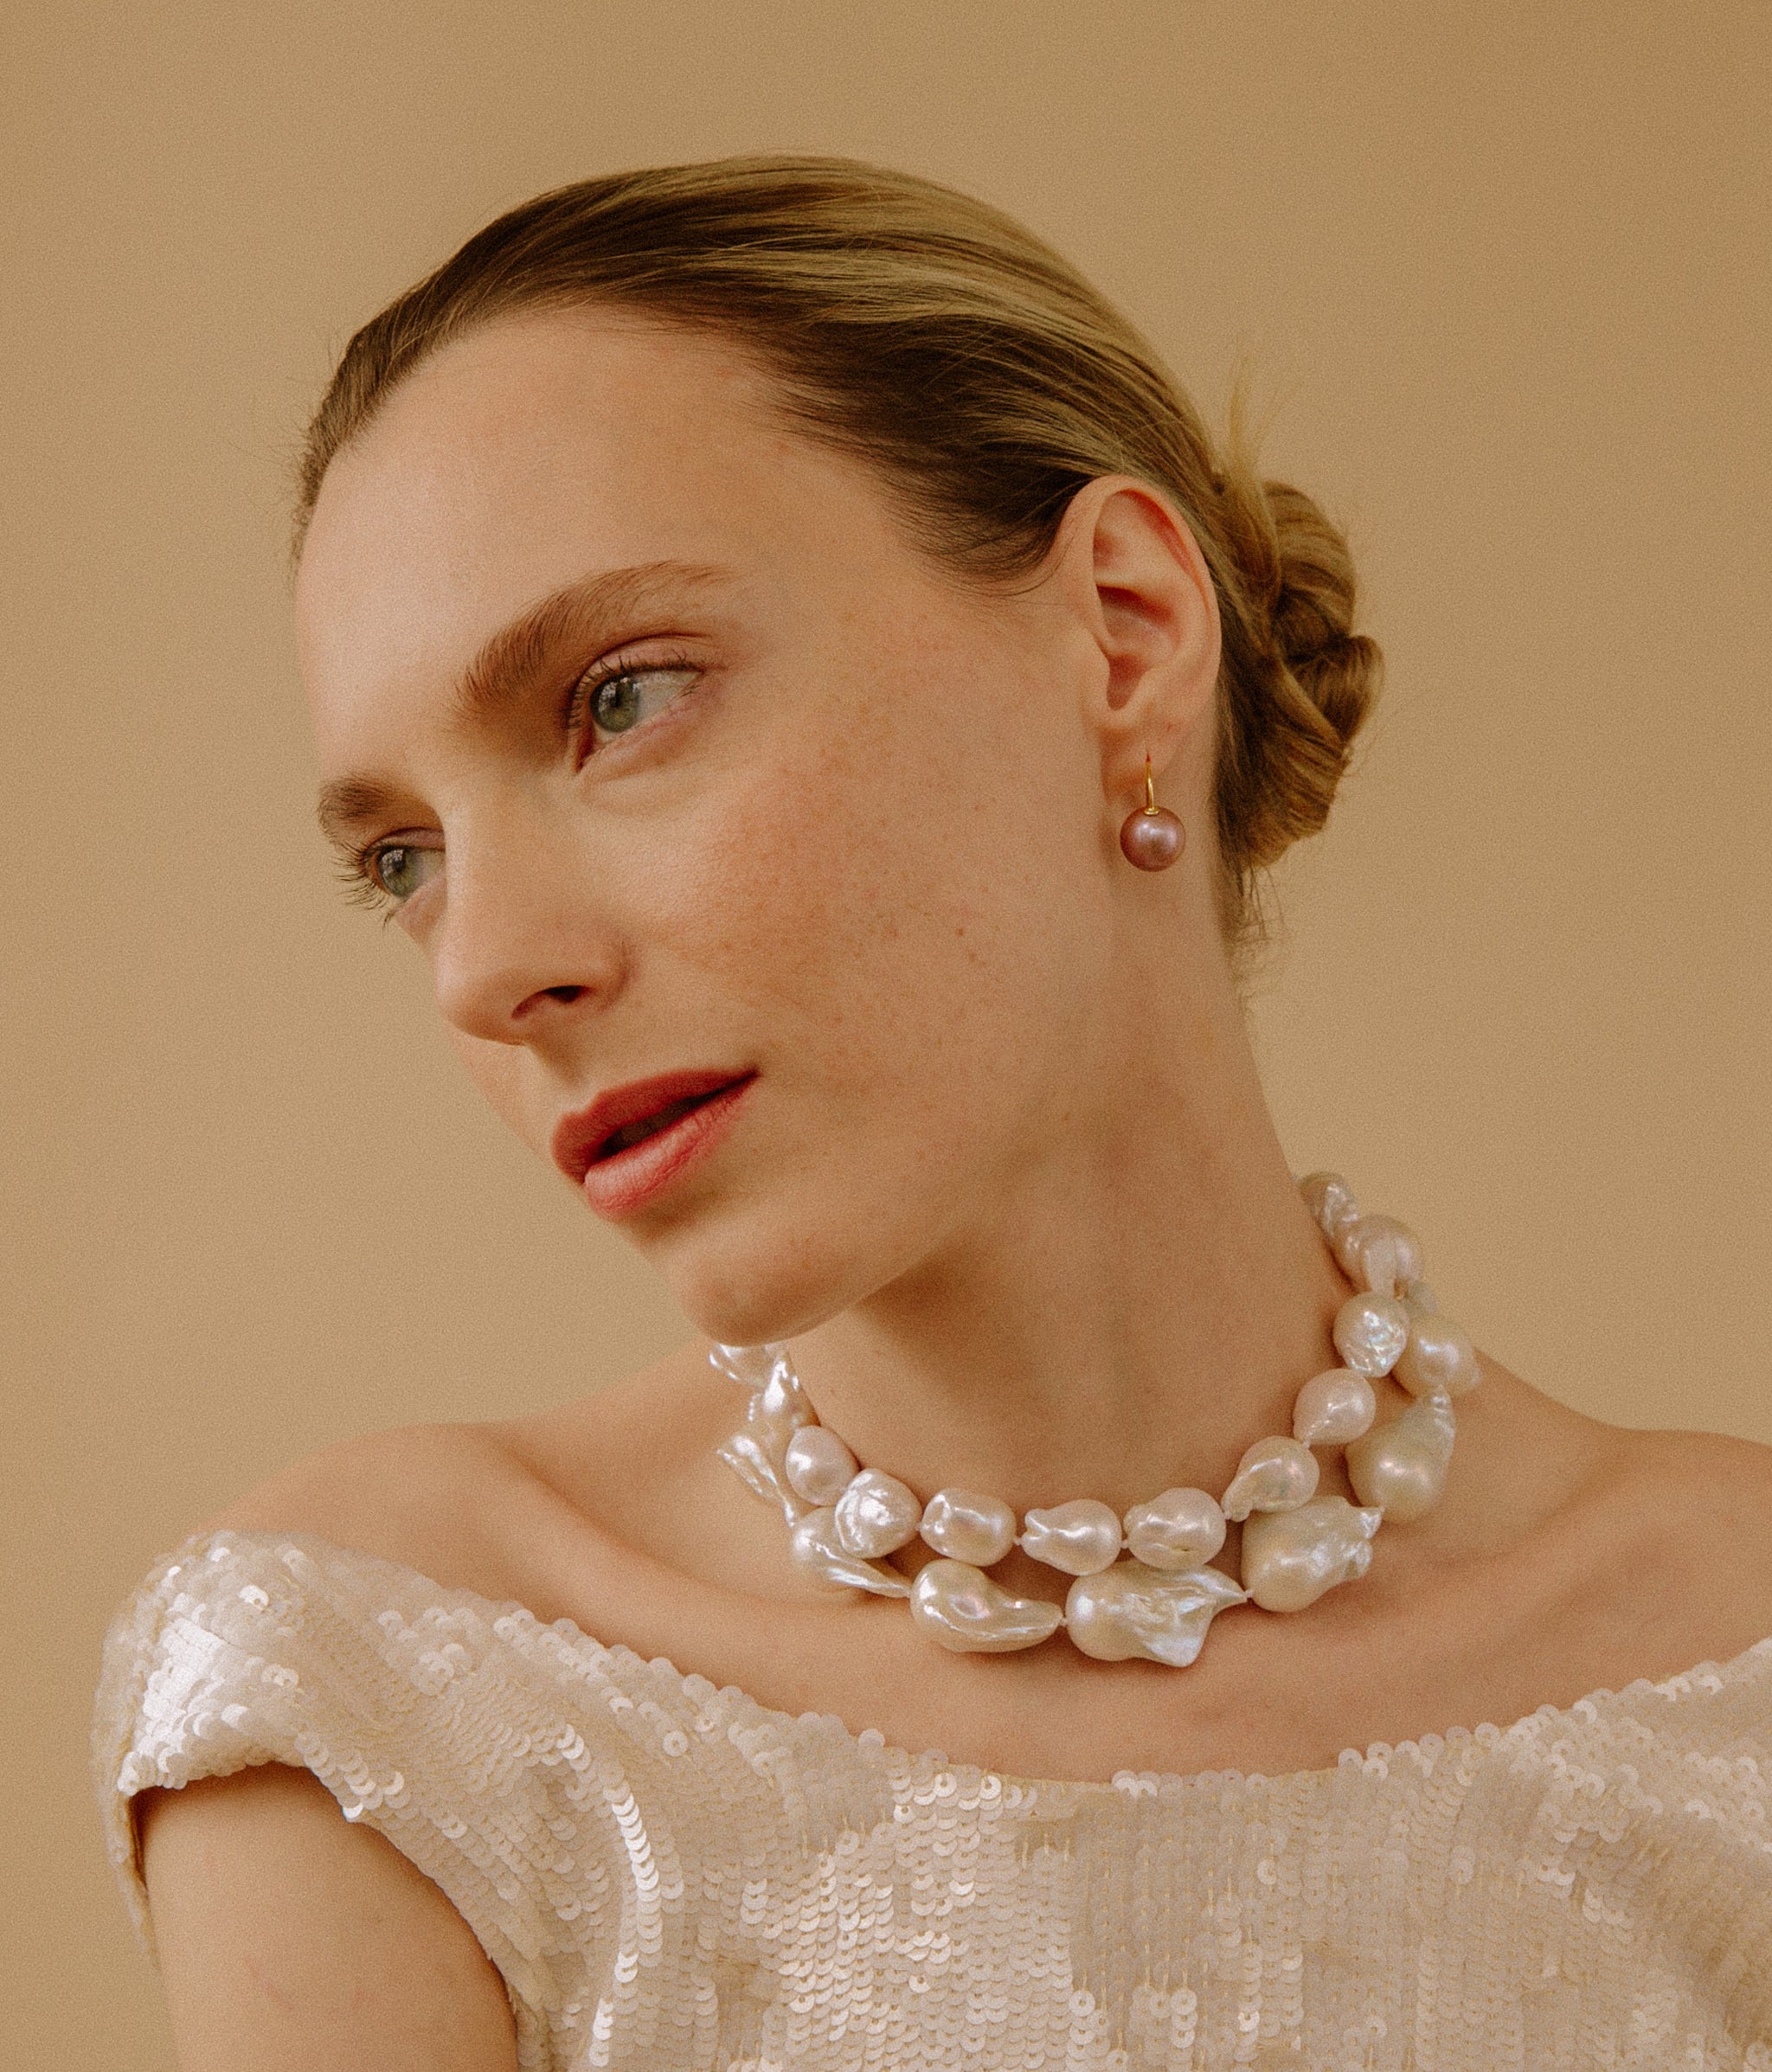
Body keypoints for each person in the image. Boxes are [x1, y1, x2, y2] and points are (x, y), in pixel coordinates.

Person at [93, 156, 1772, 2071]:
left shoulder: (1731, 1683)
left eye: (619, 700)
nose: (482, 966)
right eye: (404, 859)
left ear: (1122, 635)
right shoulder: (386, 1707)